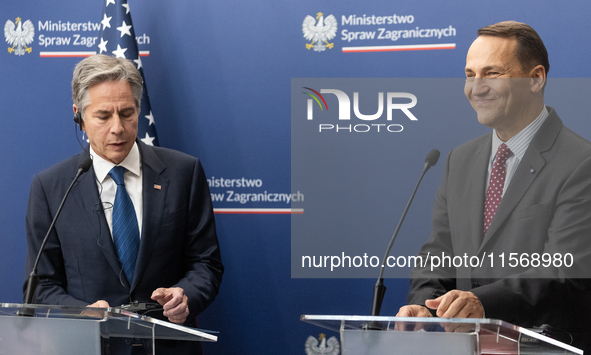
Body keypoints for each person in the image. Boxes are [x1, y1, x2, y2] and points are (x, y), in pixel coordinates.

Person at [397, 21, 591, 352]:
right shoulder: (460, 159)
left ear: (536, 78)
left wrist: (481, 303)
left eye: (493, 73)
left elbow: (565, 270)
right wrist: (427, 304)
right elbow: (439, 253)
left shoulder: (581, 161)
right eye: (470, 74)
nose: (476, 87)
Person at [24, 54, 223, 354]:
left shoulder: (184, 173)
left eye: (127, 113)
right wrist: (81, 311)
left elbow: (206, 263)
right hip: (88, 347)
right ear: (79, 116)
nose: (117, 127)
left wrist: (186, 295)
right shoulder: (51, 188)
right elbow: (40, 284)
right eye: (103, 116)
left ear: (139, 110)